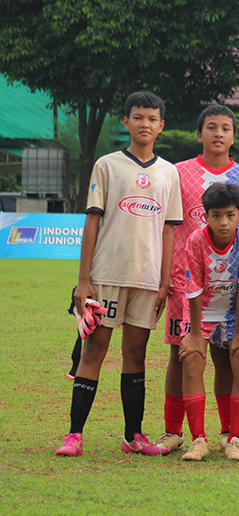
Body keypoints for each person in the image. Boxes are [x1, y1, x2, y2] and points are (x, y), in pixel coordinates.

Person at [56, 91, 182, 457]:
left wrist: (163, 281)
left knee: (137, 356)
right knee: (93, 350)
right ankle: (74, 435)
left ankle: (133, 436)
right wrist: (84, 279)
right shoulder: (107, 165)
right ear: (126, 122)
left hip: (146, 280)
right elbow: (92, 221)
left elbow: (169, 229)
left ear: (162, 125)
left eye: (152, 118)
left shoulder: (168, 172)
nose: (145, 124)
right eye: (138, 117)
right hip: (107, 274)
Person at [156, 104, 239, 455]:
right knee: (179, 355)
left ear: (233, 135)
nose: (218, 133)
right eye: (211, 127)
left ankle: (230, 433)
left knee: (227, 358)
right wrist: (165, 272)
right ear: (199, 134)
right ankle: (173, 431)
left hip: (230, 285)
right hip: (184, 282)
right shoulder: (177, 173)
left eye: (225, 128)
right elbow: (166, 226)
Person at [176, 183, 239, 462]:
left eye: (230, 215)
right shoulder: (196, 241)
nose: (223, 222)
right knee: (191, 358)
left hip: (238, 311)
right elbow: (194, 288)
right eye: (216, 215)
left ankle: (234, 438)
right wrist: (197, 333)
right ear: (205, 216)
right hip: (204, 310)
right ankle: (198, 440)